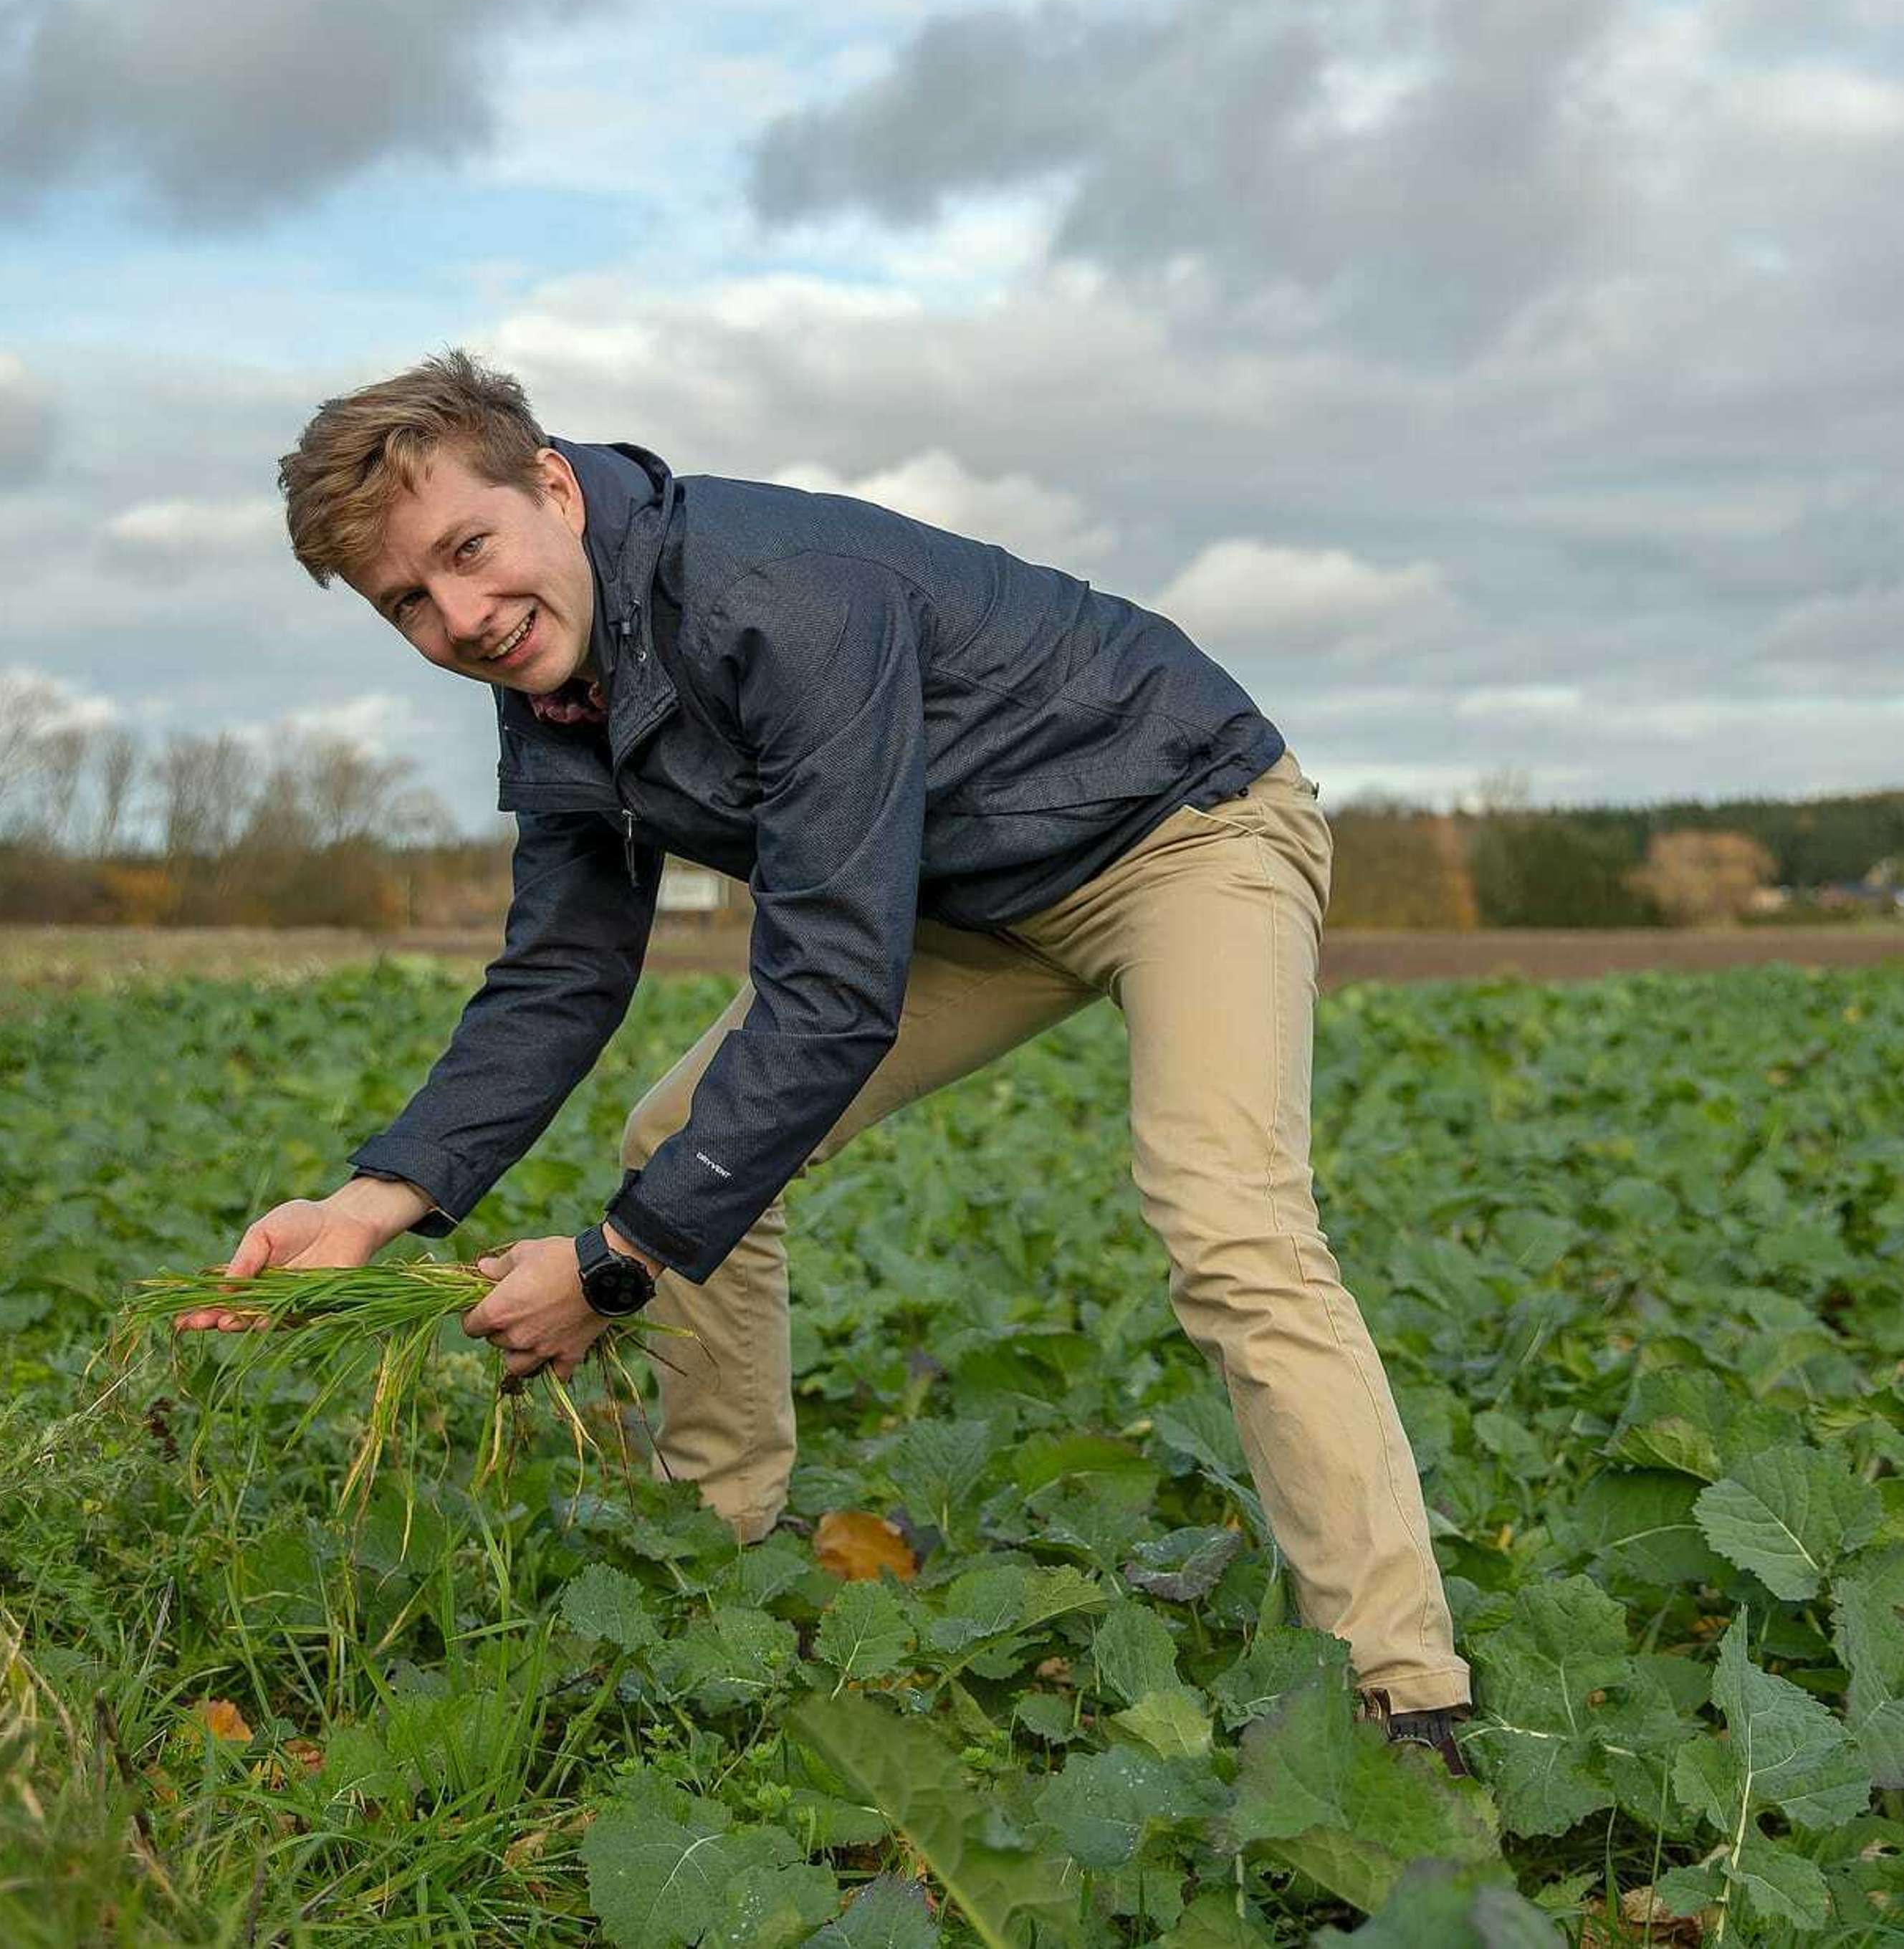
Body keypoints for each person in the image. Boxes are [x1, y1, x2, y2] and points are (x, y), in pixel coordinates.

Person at [180, 349, 1472, 1764]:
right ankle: (716, 1559)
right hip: (965, 902)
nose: (463, 617)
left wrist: (614, 1267)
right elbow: (563, 966)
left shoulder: (776, 594)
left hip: (1178, 830)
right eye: (408, 605)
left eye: (469, 553)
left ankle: (1402, 1692)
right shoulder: (555, 676)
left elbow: (834, 983)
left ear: (551, 486)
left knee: (1230, 1224)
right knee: (678, 1146)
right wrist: (374, 1203)